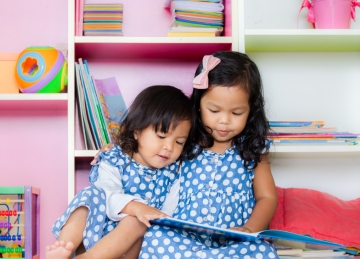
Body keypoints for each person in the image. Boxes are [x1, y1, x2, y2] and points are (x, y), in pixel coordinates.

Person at [93, 51, 279, 259]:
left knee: (262, 251)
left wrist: (248, 230)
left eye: (236, 113)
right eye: (214, 111)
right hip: (184, 239)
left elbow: (267, 197)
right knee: (155, 237)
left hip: (235, 241)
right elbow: (145, 150)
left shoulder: (253, 150)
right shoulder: (184, 140)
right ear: (199, 105)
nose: (224, 121)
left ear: (251, 110)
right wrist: (115, 149)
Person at [46, 85, 193, 259]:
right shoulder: (115, 158)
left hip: (130, 245)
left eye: (179, 142)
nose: (169, 147)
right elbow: (108, 192)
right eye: (161, 136)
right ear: (137, 131)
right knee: (90, 194)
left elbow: (167, 213)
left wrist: (146, 215)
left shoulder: (175, 172)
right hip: (96, 233)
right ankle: (65, 248)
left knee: (137, 221)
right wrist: (136, 207)